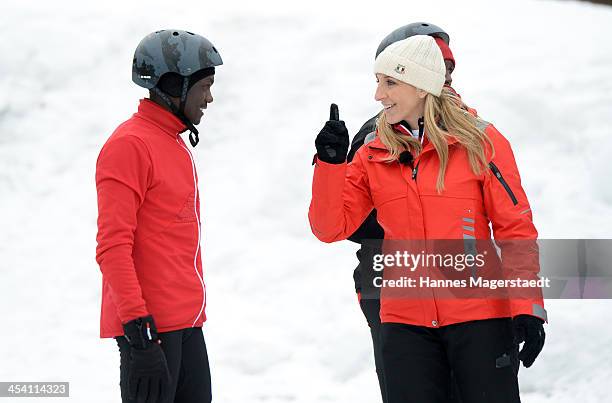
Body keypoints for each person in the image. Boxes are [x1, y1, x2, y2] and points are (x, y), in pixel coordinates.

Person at [309, 35, 547, 403]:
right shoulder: (373, 152)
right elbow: (330, 228)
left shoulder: (480, 142)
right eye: (377, 82)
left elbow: (514, 228)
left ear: (421, 86)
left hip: (479, 319)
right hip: (405, 326)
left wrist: (527, 307)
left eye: (390, 82)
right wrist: (331, 164)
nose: (378, 95)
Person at [95, 29, 222, 403]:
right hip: (149, 331)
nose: (210, 98)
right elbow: (112, 247)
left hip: (186, 325)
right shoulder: (130, 145)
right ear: (172, 84)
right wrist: (138, 330)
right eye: (205, 86)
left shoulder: (173, 142)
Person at [346, 22, 461, 403]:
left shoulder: (469, 130)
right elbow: (350, 223)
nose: (443, 76)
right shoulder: (374, 136)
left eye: (447, 67)